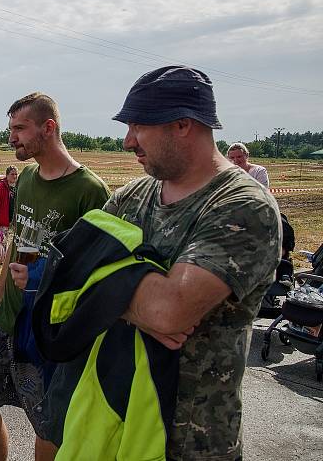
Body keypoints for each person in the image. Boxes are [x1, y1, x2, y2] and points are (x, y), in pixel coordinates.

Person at [103, 66, 280, 459]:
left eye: (138, 126)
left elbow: (168, 312)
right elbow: (66, 272)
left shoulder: (243, 206)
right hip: (114, 419)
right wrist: (135, 304)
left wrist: (103, 290)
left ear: (183, 125)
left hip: (192, 441)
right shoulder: (130, 196)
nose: (127, 141)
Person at [0, 92, 110, 461]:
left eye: (20, 128)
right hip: (8, 317)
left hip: (48, 328)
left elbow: (95, 272)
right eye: (10, 128)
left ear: (49, 127)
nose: (12, 137)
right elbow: (19, 242)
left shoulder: (89, 191)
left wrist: (42, 280)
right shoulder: (27, 177)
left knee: (48, 425)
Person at [0, 165, 17, 264]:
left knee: (4, 241)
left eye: (16, 174)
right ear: (7, 175)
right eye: (12, 174)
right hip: (0, 220)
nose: (14, 176)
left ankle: (2, 260)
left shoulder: (15, 188)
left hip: (10, 220)